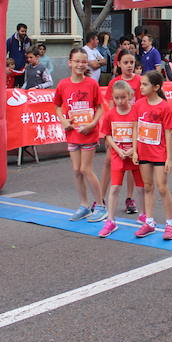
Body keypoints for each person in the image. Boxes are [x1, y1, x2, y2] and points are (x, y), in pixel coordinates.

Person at [54, 48, 106, 222]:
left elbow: (100, 107)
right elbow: (58, 106)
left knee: (86, 169)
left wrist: (92, 124)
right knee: (76, 170)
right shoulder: (63, 84)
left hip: (88, 133)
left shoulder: (91, 83)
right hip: (72, 133)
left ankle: (100, 205)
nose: (80, 64)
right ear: (70, 62)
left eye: (83, 61)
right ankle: (84, 205)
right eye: (77, 61)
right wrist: (63, 120)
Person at [97, 80, 144, 238]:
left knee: (141, 188)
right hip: (118, 155)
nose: (119, 101)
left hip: (134, 155)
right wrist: (117, 149)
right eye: (116, 98)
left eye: (123, 97)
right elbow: (107, 135)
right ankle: (110, 220)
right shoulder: (110, 114)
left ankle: (144, 215)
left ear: (130, 96)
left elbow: (140, 132)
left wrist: (133, 149)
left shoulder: (135, 112)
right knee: (115, 188)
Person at [133, 70, 172, 240]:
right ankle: (149, 222)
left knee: (162, 188)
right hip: (143, 152)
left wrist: (169, 158)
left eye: (145, 84)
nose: (141, 87)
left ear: (156, 87)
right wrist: (135, 150)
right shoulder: (138, 104)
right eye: (141, 83)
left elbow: (168, 133)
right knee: (148, 187)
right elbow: (136, 127)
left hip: (159, 154)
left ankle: (170, 224)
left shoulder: (164, 106)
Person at [108, 51, 142, 213]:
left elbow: (143, 104)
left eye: (132, 62)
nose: (129, 65)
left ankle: (130, 198)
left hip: (134, 128)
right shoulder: (114, 82)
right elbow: (110, 107)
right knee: (114, 164)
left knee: (133, 166)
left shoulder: (140, 81)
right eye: (126, 62)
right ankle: (104, 203)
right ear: (119, 64)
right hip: (118, 131)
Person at [6, 23, 31, 87]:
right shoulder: (10, 41)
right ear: (17, 31)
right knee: (12, 86)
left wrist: (28, 62)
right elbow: (4, 53)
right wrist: (6, 66)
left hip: (24, 68)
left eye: (25, 31)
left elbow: (30, 53)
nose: (24, 33)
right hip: (12, 69)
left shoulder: (28, 41)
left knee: (22, 87)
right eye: (22, 31)